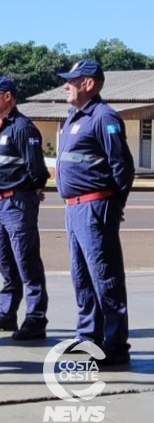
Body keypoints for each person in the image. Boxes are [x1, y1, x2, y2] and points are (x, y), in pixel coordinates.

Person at [55, 60, 135, 366]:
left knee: (105, 277)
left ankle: (115, 345)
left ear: (89, 84)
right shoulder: (75, 116)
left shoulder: (104, 117)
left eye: (71, 80)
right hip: (75, 209)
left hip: (95, 207)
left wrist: (114, 205)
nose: (66, 85)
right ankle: (89, 337)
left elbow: (122, 167)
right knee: (82, 277)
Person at [0, 76, 50, 341]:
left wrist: (26, 193)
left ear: (7, 97)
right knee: (5, 261)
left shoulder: (23, 128)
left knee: (26, 260)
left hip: (16, 203)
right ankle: (7, 314)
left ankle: (36, 318)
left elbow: (37, 170)